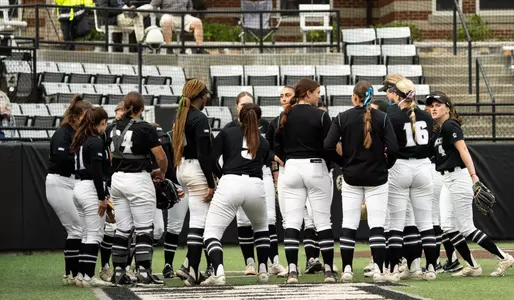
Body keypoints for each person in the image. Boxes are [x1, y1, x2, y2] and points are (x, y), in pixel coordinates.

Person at [428, 93, 514, 277]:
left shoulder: (450, 125)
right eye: (431, 105)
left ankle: (504, 257)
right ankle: (473, 265)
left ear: (447, 108)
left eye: (438, 104)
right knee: (448, 226)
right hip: (446, 180)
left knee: (466, 227)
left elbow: (463, 149)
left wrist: (474, 176)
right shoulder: (438, 130)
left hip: (459, 177)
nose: (433, 108)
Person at [324, 81, 398, 283]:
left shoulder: (342, 117)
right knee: (377, 225)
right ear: (372, 97)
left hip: (352, 176)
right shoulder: (382, 118)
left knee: (348, 223)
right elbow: (393, 149)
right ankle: (379, 271)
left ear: (353, 97)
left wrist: (344, 163)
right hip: (377, 177)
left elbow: (328, 145)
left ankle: (347, 269)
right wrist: (385, 165)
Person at [275, 78, 337, 284]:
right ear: (308, 93)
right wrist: (332, 165)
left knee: (291, 222)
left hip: (291, 168)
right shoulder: (321, 115)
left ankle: (292, 270)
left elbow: (276, 147)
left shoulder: (285, 115)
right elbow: (329, 145)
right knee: (322, 221)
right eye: (317, 92)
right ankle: (328, 270)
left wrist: (290, 160)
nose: (319, 96)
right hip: (315, 166)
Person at [202, 103, 272, 285]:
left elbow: (211, 159)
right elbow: (264, 162)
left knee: (212, 232)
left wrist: (220, 175)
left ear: (239, 117)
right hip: (256, 184)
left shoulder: (228, 132)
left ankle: (218, 271)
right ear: (258, 120)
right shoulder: (263, 141)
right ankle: (263, 270)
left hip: (231, 182)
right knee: (261, 228)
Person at [107, 91, 168, 286]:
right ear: (141, 109)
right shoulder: (145, 128)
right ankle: (143, 272)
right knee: (144, 228)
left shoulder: (110, 127)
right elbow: (161, 157)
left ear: (124, 107)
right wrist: (162, 173)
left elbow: (110, 157)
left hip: (117, 179)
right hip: (138, 180)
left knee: (122, 229)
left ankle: (118, 272)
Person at [224, 92, 287, 277]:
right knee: (243, 220)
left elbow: (270, 151)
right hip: (240, 175)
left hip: (263, 173)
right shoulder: (230, 128)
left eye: (249, 104)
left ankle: (273, 261)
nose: (246, 107)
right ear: (236, 107)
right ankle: (249, 263)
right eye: (243, 104)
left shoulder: (264, 125)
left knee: (269, 219)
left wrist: (275, 173)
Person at [385, 79, 439, 281]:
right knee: (425, 223)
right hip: (424, 167)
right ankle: (432, 268)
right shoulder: (426, 115)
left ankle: (392, 270)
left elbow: (389, 147)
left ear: (398, 95)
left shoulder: (392, 115)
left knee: (396, 224)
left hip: (400, 167)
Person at [45, 95, 93, 285]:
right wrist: (83, 163)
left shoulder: (82, 133)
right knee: (76, 228)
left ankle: (74, 273)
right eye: (85, 116)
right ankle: (72, 274)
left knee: (81, 228)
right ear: (75, 116)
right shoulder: (62, 133)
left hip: (74, 182)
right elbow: (60, 158)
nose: (88, 120)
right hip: (59, 182)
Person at [172, 79, 215, 285]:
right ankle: (194, 272)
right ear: (200, 96)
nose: (207, 99)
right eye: (206, 96)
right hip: (196, 170)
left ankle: (188, 266)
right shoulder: (199, 118)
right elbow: (204, 154)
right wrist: (211, 182)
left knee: (197, 220)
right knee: (200, 223)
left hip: (182, 168)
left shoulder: (181, 114)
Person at [418, 92, 463, 274]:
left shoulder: (441, 126)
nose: (427, 108)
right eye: (427, 105)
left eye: (432, 105)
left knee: (437, 219)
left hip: (440, 173)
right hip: (439, 173)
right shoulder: (435, 125)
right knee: (443, 220)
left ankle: (439, 261)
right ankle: (451, 259)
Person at [70, 107, 110, 287]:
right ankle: (87, 277)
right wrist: (102, 198)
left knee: (86, 234)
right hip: (90, 188)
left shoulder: (82, 138)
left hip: (78, 186)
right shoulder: (95, 141)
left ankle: (81, 275)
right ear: (101, 122)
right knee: (94, 235)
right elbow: (96, 171)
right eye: (105, 123)